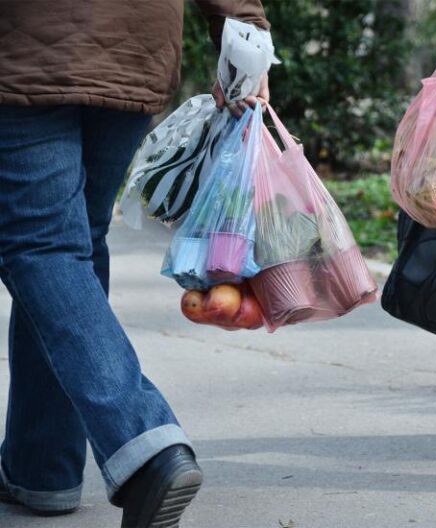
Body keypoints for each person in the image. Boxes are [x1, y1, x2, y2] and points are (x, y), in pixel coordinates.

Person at [0, 1, 270, 526]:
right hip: (134, 42)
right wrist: (246, 32)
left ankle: (142, 443)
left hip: (23, 44)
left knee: (44, 246)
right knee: (72, 243)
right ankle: (41, 467)